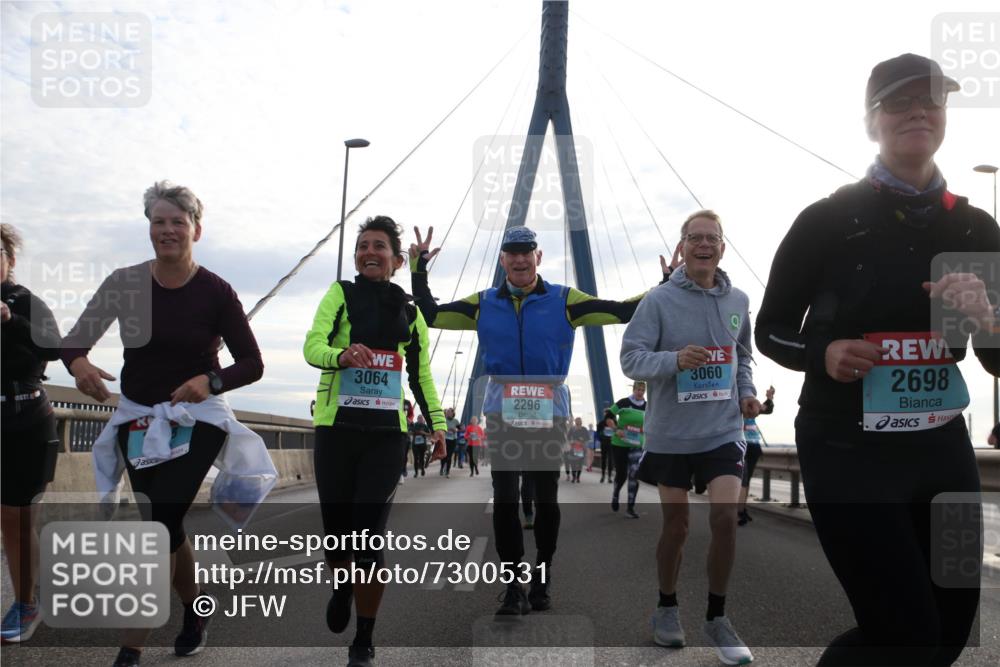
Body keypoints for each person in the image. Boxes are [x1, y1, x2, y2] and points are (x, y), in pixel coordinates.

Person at [756, 54, 1000, 666]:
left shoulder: (975, 228)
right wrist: (825, 351)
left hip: (941, 449)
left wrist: (990, 322)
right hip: (847, 449)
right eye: (899, 101)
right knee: (906, 634)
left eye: (932, 100)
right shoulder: (828, 220)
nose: (918, 110)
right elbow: (769, 331)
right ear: (872, 123)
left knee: (946, 637)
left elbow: (997, 363)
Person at [60, 181, 266, 667]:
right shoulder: (124, 282)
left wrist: (209, 381)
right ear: (149, 227)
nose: (168, 230)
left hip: (198, 420)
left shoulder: (216, 291)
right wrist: (80, 366)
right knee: (165, 525)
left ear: (197, 228)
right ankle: (196, 614)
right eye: (159, 221)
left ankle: (130, 648)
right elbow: (73, 342)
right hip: (138, 418)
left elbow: (252, 363)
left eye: (178, 221)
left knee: (157, 524)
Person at [410, 224, 661, 616]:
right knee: (507, 499)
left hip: (549, 415)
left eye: (527, 251)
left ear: (538, 257)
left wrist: (666, 282)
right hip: (502, 413)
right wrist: (419, 269)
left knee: (545, 500)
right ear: (503, 260)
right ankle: (513, 587)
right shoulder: (483, 303)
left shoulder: (565, 300)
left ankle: (542, 578)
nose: (520, 258)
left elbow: (623, 310)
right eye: (512, 252)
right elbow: (430, 314)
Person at [304, 215, 446, 667]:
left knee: (368, 537)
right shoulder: (339, 295)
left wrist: (437, 424)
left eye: (379, 246)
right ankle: (342, 585)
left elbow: (421, 374)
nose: (369, 251)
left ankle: (364, 638)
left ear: (397, 260)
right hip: (336, 430)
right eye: (363, 245)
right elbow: (312, 346)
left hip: (386, 437)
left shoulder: (412, 312)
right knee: (337, 538)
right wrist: (339, 356)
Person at [621, 209, 759, 665]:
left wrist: (748, 395)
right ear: (682, 247)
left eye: (712, 238)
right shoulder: (658, 301)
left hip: (722, 429)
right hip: (671, 435)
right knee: (677, 527)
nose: (704, 244)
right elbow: (631, 359)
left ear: (723, 246)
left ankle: (717, 618)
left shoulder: (738, 299)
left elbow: (743, 359)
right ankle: (666, 607)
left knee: (724, 517)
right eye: (694, 237)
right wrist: (674, 360)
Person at [0, 224, 62, 643]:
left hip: (24, 421)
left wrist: (13, 320)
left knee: (17, 520)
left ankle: (26, 602)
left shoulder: (26, 303)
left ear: (10, 260)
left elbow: (55, 348)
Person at [609, 381, 647, 519]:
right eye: (638, 389)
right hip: (620, 444)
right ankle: (616, 493)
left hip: (636, 444)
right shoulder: (624, 402)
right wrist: (615, 429)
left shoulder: (648, 406)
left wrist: (647, 428)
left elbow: (652, 422)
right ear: (634, 389)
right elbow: (608, 415)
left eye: (642, 390)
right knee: (621, 474)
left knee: (634, 474)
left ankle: (630, 507)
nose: (640, 392)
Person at [737, 385, 774, 526]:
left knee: (744, 480)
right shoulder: (740, 401)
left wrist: (770, 398)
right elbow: (766, 409)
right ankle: (739, 511)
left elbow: (766, 409)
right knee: (743, 480)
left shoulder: (746, 401)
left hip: (750, 446)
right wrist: (769, 399)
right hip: (744, 445)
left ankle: (741, 510)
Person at [566, 417, 589, 483]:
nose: (578, 422)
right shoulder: (572, 429)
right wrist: (571, 441)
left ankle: (578, 477)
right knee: (573, 463)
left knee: (579, 464)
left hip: (581, 448)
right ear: (575, 422)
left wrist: (583, 440)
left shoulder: (584, 429)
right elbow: (568, 437)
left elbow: (587, 438)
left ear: (581, 422)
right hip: (573, 448)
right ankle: (574, 477)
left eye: (579, 421)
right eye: (577, 421)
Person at [599, 409, 616, 483]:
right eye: (605, 413)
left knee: (610, 460)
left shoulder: (615, 422)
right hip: (604, 443)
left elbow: (617, 431)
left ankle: (609, 477)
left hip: (612, 443)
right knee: (603, 460)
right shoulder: (601, 423)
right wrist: (603, 434)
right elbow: (598, 433)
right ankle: (603, 476)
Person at [441, 407, 459, 477]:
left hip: (453, 440)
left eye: (449, 412)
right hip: (445, 439)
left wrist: (455, 430)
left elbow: (459, 429)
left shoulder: (456, 421)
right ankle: (442, 467)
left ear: (453, 413)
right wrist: (447, 429)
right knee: (444, 455)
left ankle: (447, 471)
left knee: (449, 456)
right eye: (447, 412)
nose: (448, 413)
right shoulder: (443, 420)